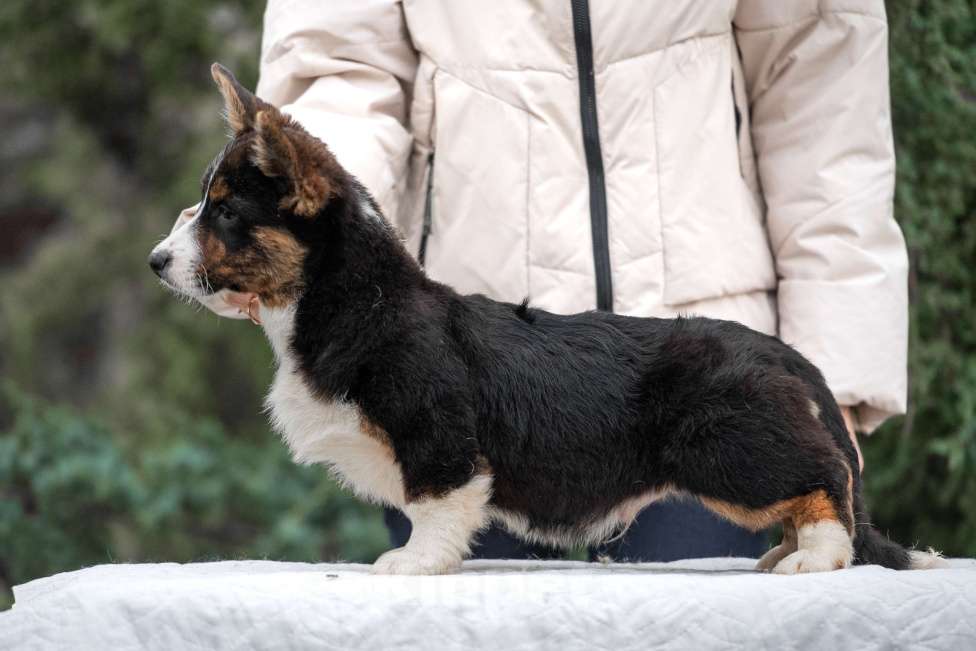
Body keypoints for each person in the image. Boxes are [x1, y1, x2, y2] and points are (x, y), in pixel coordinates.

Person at [182, 1, 907, 562]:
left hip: (695, 364)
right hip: (459, 373)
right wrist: (310, 245)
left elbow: (825, 105)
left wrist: (832, 373)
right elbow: (340, 68)